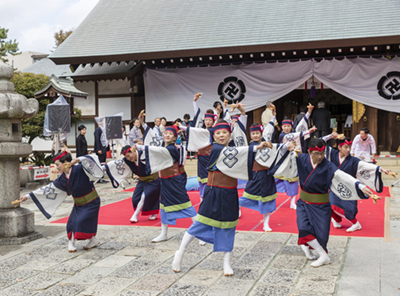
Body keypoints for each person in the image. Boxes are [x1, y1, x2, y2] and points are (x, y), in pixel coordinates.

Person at [172, 120, 272, 276]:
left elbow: (244, 156)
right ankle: (180, 252)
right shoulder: (216, 149)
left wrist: (281, 148)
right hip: (213, 192)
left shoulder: (235, 149)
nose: (221, 135)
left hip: (230, 193)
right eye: (218, 133)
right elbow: (236, 153)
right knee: (199, 224)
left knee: (229, 227)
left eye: (224, 132)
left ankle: (227, 263)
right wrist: (256, 146)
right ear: (214, 136)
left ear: (230, 134)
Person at [286, 138, 377, 267]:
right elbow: (281, 155)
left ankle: (312, 248)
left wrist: (360, 186)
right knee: (303, 228)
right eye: (316, 154)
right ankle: (323, 255)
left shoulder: (327, 165)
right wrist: (286, 146)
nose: (319, 156)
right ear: (309, 152)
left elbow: (342, 176)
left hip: (321, 205)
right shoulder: (301, 158)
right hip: (303, 202)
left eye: (322, 153)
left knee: (321, 234)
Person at [19, 151, 103, 252]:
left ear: (65, 162)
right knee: (72, 223)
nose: (57, 167)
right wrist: (28, 196)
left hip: (92, 201)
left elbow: (93, 158)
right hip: (79, 204)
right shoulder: (62, 179)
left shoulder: (81, 168)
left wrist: (78, 159)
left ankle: (90, 240)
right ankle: (74, 242)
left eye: (58, 164)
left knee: (81, 221)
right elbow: (47, 189)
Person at [136, 126, 197, 243]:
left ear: (175, 137)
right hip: (165, 181)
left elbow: (159, 152)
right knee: (164, 207)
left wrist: (142, 147)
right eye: (166, 133)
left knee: (187, 205)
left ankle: (200, 231)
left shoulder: (171, 148)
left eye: (170, 134)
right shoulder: (166, 147)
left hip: (175, 181)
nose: (167, 135)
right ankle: (163, 234)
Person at [326, 137, 389, 232]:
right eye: (346, 147)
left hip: (349, 187)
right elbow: (321, 143)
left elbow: (366, 165)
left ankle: (356, 224)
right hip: (335, 186)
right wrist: (331, 136)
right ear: (339, 147)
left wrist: (380, 169)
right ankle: (336, 219)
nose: (348, 149)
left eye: (349, 147)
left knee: (349, 209)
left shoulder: (353, 160)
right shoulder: (333, 154)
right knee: (330, 203)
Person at [105, 145, 161, 223]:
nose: (128, 158)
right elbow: (115, 163)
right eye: (126, 157)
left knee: (145, 196)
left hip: (153, 180)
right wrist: (103, 167)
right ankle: (154, 212)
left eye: (128, 155)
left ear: (133, 151)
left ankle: (135, 215)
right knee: (135, 198)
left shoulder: (144, 154)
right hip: (142, 181)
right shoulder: (127, 161)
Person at [276, 107, 317, 210]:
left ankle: (292, 201)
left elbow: (302, 131)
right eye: (284, 126)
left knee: (294, 181)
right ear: (281, 127)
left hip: (293, 161)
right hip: (284, 162)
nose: (286, 128)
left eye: (288, 126)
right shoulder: (281, 136)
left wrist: (310, 129)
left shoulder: (295, 134)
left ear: (291, 127)